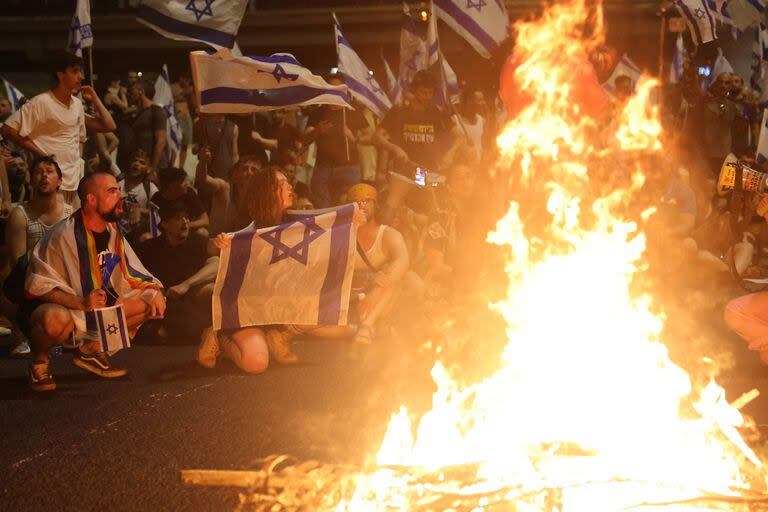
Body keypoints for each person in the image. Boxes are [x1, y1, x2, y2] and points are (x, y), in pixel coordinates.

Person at [197, 166, 357, 373]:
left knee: (342, 327)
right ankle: (220, 334)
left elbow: (328, 222)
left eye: (288, 183)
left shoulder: (294, 221)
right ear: (268, 192)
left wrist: (351, 222)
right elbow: (213, 246)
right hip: (247, 311)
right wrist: (218, 243)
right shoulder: (249, 225)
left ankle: (281, 335)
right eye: (282, 185)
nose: (290, 187)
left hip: (281, 308)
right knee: (256, 363)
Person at [24, 171, 165, 392]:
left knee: (151, 302)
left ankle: (92, 349)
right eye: (112, 191)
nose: (120, 195)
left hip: (92, 308)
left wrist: (153, 289)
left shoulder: (112, 232)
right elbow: (39, 287)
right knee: (54, 320)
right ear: (91, 200)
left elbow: (131, 271)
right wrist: (81, 303)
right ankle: (39, 362)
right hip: (64, 307)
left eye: (119, 189)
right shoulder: (64, 235)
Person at [1, 51, 117, 206]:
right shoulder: (41, 102)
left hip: (75, 182)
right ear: (61, 74)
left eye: (81, 72)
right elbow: (8, 130)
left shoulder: (76, 104)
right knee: (51, 229)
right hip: (49, 182)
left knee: (72, 229)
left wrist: (95, 98)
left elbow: (109, 126)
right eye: (75, 71)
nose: (81, 77)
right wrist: (41, 154)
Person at [4, 156, 72, 356]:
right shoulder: (20, 215)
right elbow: (18, 264)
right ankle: (24, 334)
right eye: (38, 172)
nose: (44, 176)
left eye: (49, 171)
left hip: (65, 283)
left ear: (60, 181)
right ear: (31, 180)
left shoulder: (70, 214)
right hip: (31, 282)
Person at [376, 70, 461, 219]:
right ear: (414, 90)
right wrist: (395, 149)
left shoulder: (437, 112)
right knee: (397, 212)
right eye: (423, 92)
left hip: (427, 172)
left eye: (430, 93)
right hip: (402, 171)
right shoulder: (400, 111)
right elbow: (376, 137)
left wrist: (450, 153)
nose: (426, 97)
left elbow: (459, 137)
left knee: (425, 213)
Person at [137, 201, 218, 341]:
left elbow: (216, 264)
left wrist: (187, 284)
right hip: (162, 300)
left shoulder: (196, 243)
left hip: (189, 296)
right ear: (165, 224)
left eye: (186, 217)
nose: (185, 222)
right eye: (178, 218)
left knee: (212, 289)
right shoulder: (151, 247)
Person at [348, 183, 410, 344]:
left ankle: (367, 326)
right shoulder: (343, 235)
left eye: (366, 201)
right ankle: (371, 323)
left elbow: (402, 260)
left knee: (395, 277)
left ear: (375, 205)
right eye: (357, 202)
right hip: (350, 294)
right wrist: (368, 280)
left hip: (379, 294)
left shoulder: (388, 234)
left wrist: (375, 292)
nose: (362, 206)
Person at [305, 74, 370, 207]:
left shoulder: (352, 111)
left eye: (338, 89)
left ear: (343, 91)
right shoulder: (318, 113)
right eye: (331, 88)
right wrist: (318, 130)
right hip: (323, 168)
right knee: (323, 208)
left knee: (351, 208)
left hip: (349, 167)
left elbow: (370, 137)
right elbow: (304, 138)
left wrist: (353, 137)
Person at [118, 79, 167, 178]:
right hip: (139, 166)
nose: (130, 93)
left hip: (153, 167)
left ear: (141, 91)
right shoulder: (136, 114)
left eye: (133, 90)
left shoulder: (157, 111)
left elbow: (161, 141)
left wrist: (153, 169)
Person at [152, 167, 210, 238]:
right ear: (171, 185)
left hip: (187, 231)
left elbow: (205, 220)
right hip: (165, 234)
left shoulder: (189, 193)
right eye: (182, 181)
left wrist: (184, 225)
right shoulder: (157, 198)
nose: (187, 184)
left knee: (203, 232)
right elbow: (154, 225)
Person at [119, 150, 158, 239]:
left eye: (142, 163)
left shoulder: (150, 188)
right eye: (135, 160)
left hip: (138, 233)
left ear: (149, 169)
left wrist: (140, 210)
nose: (137, 164)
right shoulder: (119, 183)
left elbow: (158, 213)